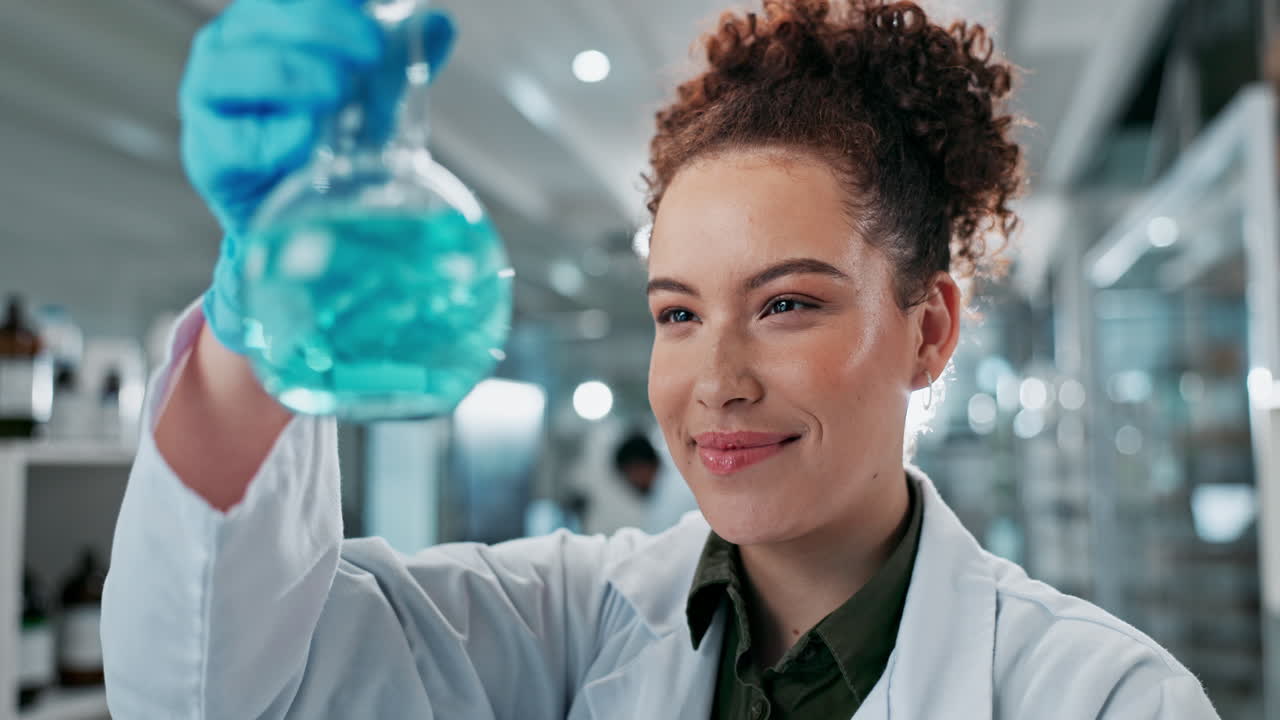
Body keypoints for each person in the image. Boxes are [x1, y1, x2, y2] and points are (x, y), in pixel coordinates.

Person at [101, 0, 1220, 717]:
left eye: (784, 303)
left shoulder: (1101, 698)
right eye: (676, 314)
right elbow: (224, 689)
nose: (714, 381)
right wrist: (258, 324)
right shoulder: (567, 622)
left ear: (927, 330)